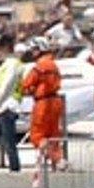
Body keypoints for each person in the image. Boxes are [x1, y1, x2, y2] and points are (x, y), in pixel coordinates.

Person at [23, 39, 67, 170]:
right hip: (56, 101)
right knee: (53, 135)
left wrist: (27, 90)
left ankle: (56, 159)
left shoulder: (40, 66)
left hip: (43, 103)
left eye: (33, 50)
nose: (32, 53)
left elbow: (26, 84)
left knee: (37, 135)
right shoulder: (53, 64)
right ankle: (58, 161)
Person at [0, 39, 27, 172]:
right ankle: (13, 166)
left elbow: (6, 87)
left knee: (9, 140)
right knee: (7, 139)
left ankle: (14, 168)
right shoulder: (14, 63)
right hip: (10, 103)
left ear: (5, 47)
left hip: (8, 105)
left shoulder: (11, 64)